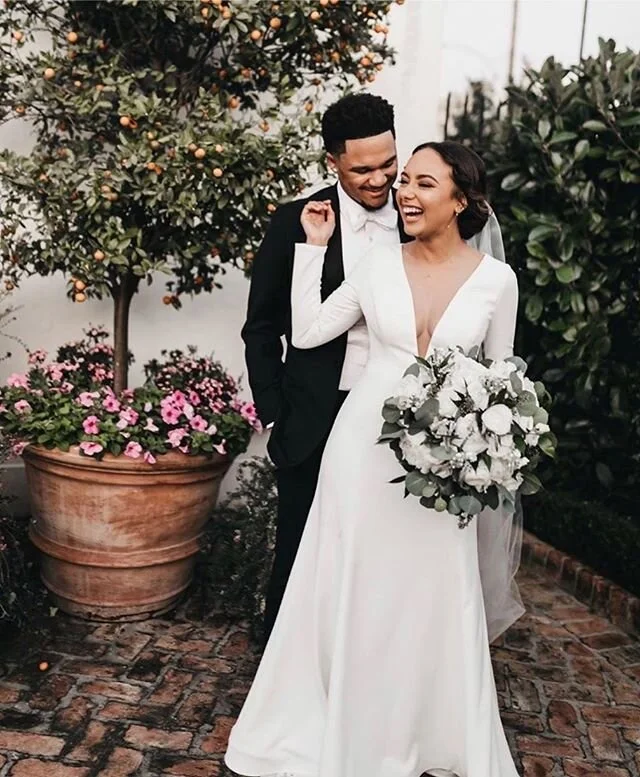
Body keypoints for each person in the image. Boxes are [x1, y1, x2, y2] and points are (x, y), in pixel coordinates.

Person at [225, 141, 523, 777]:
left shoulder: (498, 281)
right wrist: (312, 249)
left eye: (423, 184)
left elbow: (501, 377)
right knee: (352, 578)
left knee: (432, 586)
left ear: (461, 201)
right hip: (362, 447)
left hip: (446, 461)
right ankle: (341, 721)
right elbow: (309, 331)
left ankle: (428, 729)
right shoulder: (377, 264)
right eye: (404, 180)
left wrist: (483, 444)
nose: (404, 193)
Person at [242, 94, 506, 642]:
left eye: (391, 164)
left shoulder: (420, 217)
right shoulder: (297, 221)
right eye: (364, 169)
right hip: (317, 414)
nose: (383, 180)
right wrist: (274, 412)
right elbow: (263, 327)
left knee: (398, 556)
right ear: (333, 161)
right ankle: (292, 663)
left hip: (417, 419)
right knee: (303, 550)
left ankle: (387, 656)